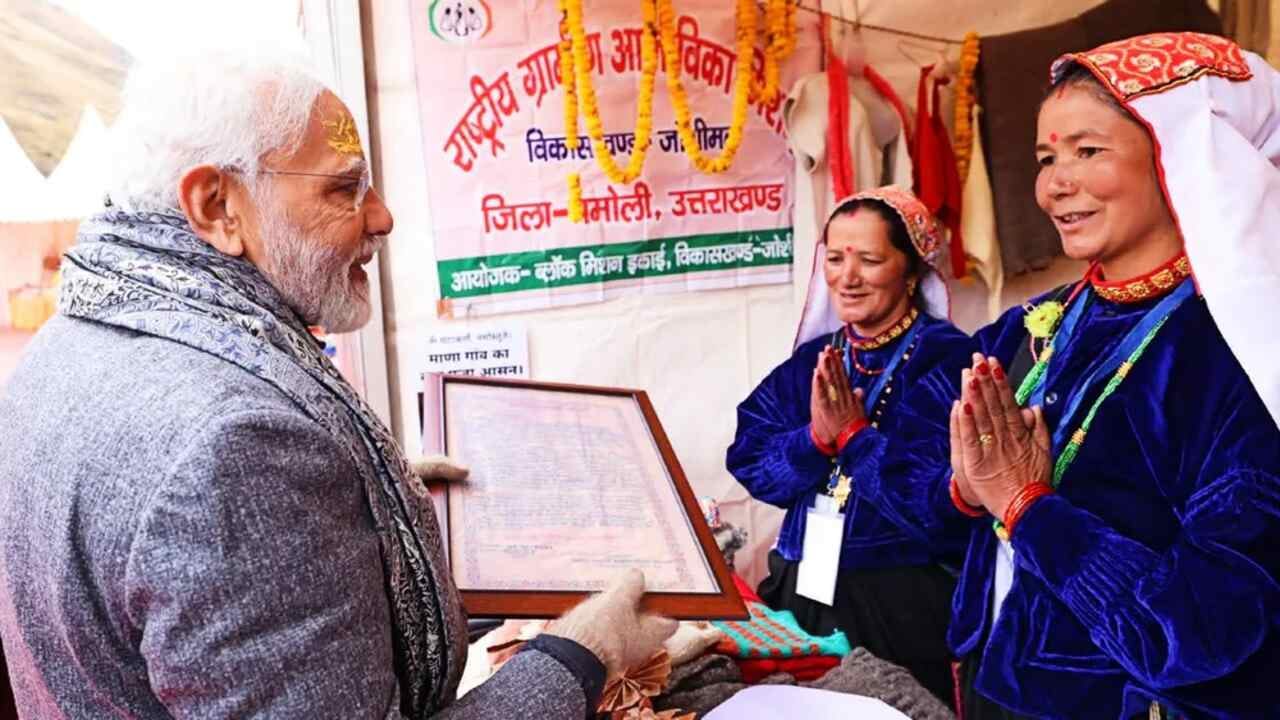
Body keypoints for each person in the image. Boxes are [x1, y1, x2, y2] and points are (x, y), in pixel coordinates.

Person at [0, 51, 674, 718]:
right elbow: (215, 506)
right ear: (217, 206)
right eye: (343, 187)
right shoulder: (234, 451)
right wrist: (583, 655)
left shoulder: (64, 346)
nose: (381, 217)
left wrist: (362, 508)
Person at [945, 32, 1280, 719]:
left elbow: (1206, 626)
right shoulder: (1034, 324)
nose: (1054, 184)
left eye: (1088, 151)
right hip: (1005, 684)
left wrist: (1029, 509)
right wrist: (965, 488)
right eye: (1046, 157)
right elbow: (931, 501)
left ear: (1178, 161)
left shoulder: (1240, 353)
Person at [726, 186, 971, 704]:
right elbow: (748, 456)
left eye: (870, 259)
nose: (848, 276)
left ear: (910, 271)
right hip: (804, 589)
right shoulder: (815, 359)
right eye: (836, 258)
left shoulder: (947, 360)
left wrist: (857, 439)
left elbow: (938, 500)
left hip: (899, 601)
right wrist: (814, 440)